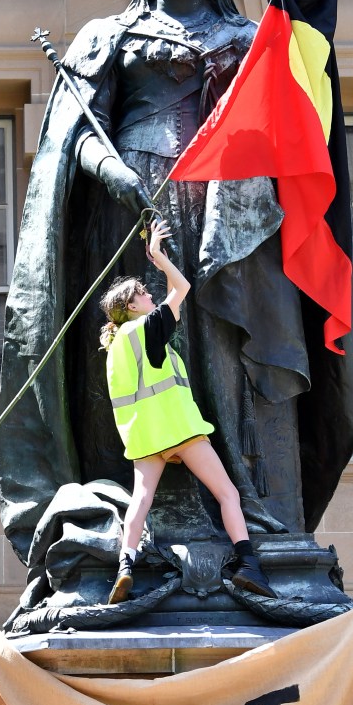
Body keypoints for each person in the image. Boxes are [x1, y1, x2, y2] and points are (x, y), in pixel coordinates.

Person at [0, 0, 353, 572]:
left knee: (224, 353)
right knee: (138, 348)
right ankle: (131, 514)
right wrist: (113, 173)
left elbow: (284, 122)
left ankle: (249, 505)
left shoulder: (247, 39)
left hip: (231, 218)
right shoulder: (107, 37)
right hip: (129, 210)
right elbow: (73, 136)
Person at [100, 218, 276, 603]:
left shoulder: (115, 347)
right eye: (144, 294)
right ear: (131, 306)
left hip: (145, 437)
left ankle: (125, 565)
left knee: (140, 501)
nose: (150, 296)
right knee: (228, 495)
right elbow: (182, 288)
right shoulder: (148, 327)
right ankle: (249, 565)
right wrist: (158, 257)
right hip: (179, 428)